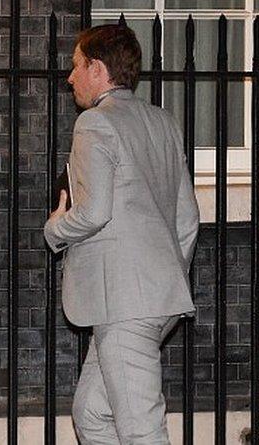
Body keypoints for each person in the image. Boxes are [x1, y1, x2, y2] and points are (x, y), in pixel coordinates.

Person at [44, 24, 199, 444]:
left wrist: (56, 228)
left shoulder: (94, 123)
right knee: (92, 413)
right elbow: (187, 220)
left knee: (141, 431)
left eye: (76, 66)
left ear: (97, 68)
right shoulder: (162, 121)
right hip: (152, 299)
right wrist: (161, 277)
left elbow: (94, 212)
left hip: (125, 303)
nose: (70, 77)